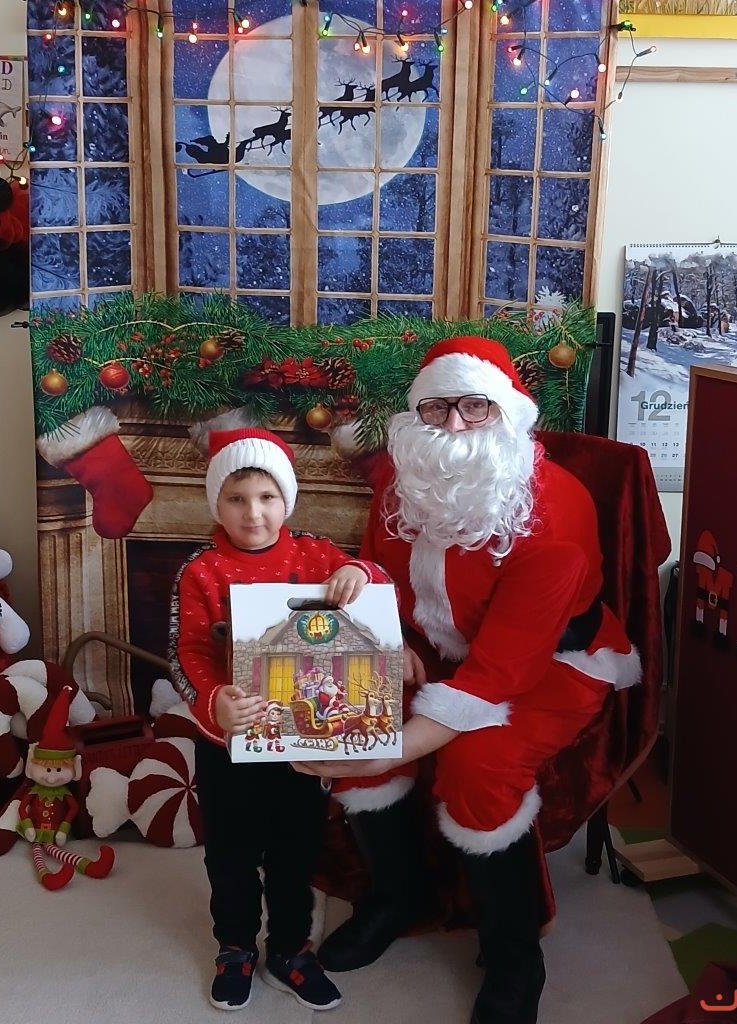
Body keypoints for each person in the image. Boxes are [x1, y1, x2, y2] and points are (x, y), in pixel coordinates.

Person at [295, 337, 640, 1024]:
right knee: (350, 705)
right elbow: (381, 570)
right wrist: (387, 635)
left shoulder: (555, 512)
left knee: (478, 762)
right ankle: (398, 897)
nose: (453, 425)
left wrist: (385, 750)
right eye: (437, 407)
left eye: (474, 406)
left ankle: (514, 953)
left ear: (507, 413)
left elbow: (501, 671)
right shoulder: (405, 481)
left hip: (550, 660)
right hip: (441, 647)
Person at [168, 427, 387, 1013]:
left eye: (266, 497)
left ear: (286, 499)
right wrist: (213, 701)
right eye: (237, 499)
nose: (253, 513)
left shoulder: (317, 555)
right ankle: (235, 945)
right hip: (229, 743)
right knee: (231, 854)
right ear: (216, 503)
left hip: (301, 740)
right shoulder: (201, 570)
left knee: (297, 850)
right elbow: (186, 652)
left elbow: (379, 591)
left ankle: (291, 948)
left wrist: (364, 573)